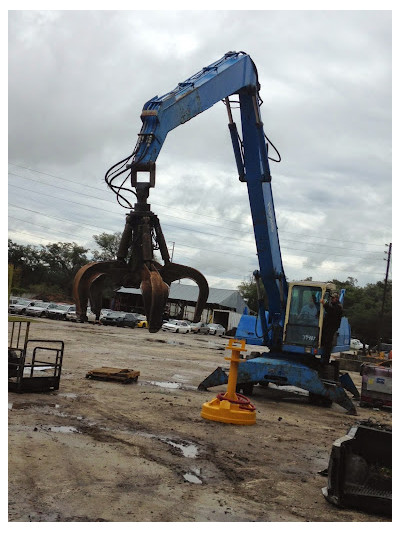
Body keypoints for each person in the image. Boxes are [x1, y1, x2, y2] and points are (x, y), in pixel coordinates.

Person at [320, 292, 343, 364]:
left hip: (331, 328)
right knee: (324, 341)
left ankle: (325, 361)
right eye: (331, 298)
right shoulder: (333, 305)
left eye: (333, 298)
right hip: (327, 327)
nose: (331, 299)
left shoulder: (338, 307)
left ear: (337, 299)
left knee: (328, 344)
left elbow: (332, 311)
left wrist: (324, 304)